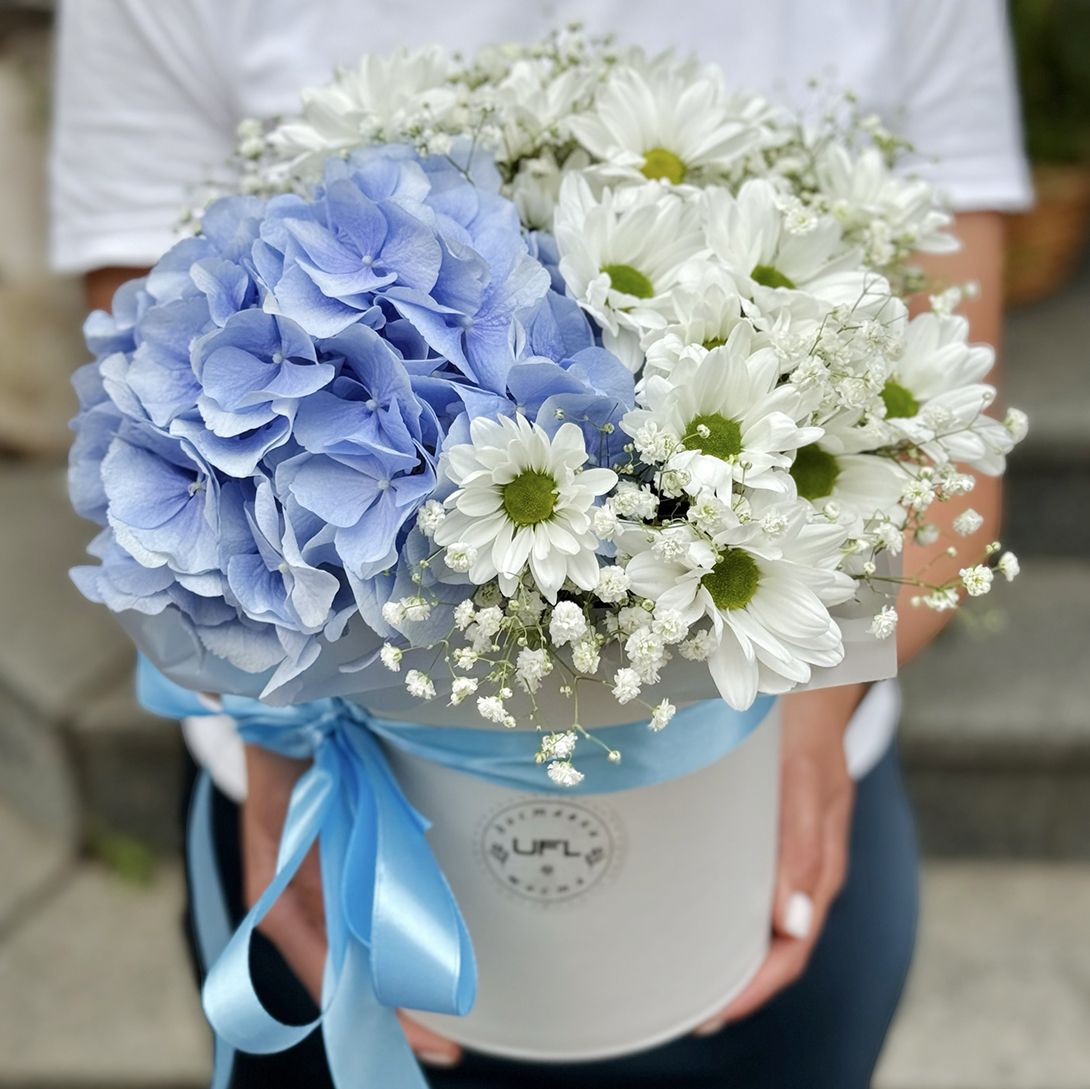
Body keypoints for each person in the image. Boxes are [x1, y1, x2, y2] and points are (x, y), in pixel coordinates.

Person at [51, 2, 1032, 1086]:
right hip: (329, 838)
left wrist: (804, 706)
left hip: (764, 804)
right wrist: (281, 741)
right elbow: (155, 409)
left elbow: (949, 459)